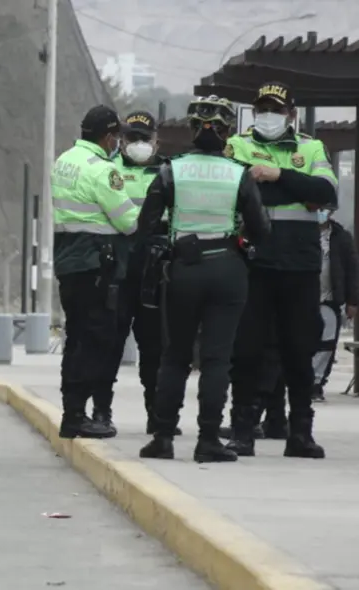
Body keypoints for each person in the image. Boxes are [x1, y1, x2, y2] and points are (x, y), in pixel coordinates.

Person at [137, 96, 270, 463]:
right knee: (217, 359)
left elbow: (145, 225)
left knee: (175, 356)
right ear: (227, 132)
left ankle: (163, 438)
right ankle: (208, 440)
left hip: (184, 270)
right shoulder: (238, 173)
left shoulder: (171, 171)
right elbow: (261, 228)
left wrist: (175, 237)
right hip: (228, 268)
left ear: (193, 129)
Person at [225, 82, 338, 459]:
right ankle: (242, 430)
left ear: (291, 113)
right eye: (262, 109)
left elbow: (326, 193)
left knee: (299, 351)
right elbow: (236, 190)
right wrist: (297, 189)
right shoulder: (239, 144)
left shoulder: (311, 147)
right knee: (247, 350)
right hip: (254, 263)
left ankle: (300, 432)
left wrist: (275, 176)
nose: (268, 115)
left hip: (299, 266)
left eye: (275, 109)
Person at [52, 105, 138, 439]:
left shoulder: (65, 161)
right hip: (96, 264)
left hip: (69, 260)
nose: (117, 143)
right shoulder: (103, 170)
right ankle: (78, 414)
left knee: (76, 337)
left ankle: (72, 411)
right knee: (96, 339)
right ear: (108, 136)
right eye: (116, 136)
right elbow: (128, 221)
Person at [94, 110, 173, 436]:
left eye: (144, 138)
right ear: (121, 140)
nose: (138, 144)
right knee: (110, 344)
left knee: (154, 347)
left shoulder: (170, 173)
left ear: (156, 140)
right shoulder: (108, 170)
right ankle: (101, 410)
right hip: (120, 268)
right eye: (132, 138)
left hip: (155, 270)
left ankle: (157, 414)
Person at [312, 209, 359, 401]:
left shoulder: (341, 237)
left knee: (327, 343)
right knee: (301, 342)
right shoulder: (301, 233)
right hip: (302, 297)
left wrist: (352, 301)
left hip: (330, 299)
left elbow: (352, 269)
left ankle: (316, 382)